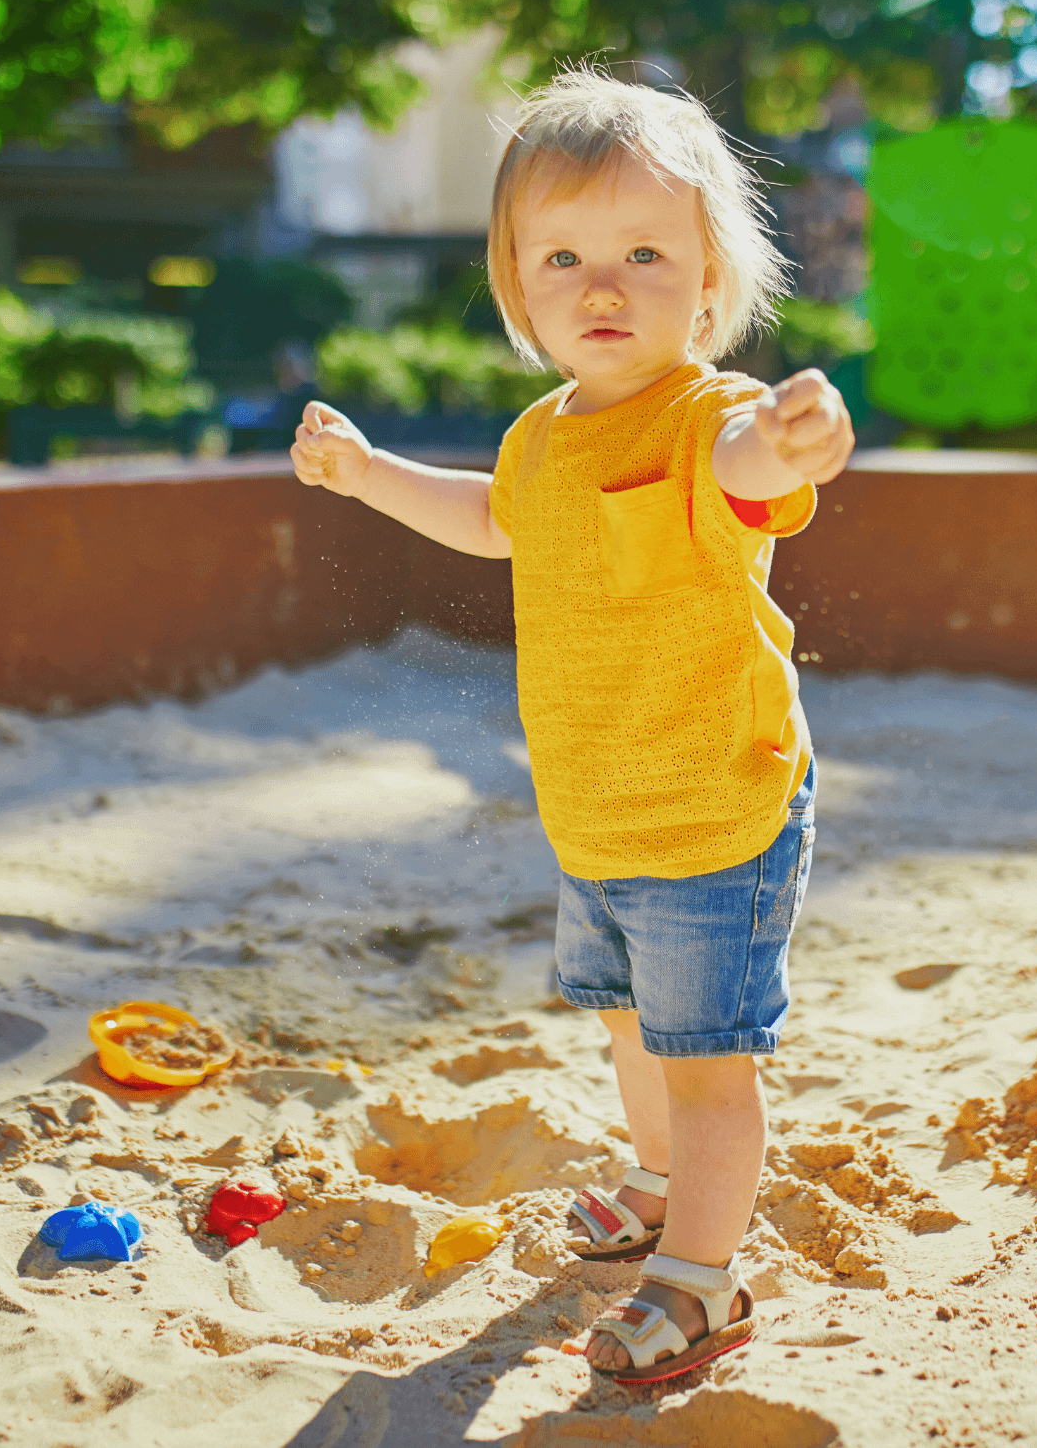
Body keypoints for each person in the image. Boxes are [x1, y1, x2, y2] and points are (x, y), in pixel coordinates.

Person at [290, 66, 852, 1384]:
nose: (603, 287)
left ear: (709, 283)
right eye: (565, 258)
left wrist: (798, 437)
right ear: (518, 287)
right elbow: (492, 520)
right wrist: (368, 474)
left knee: (708, 1063)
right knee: (627, 1025)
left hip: (716, 812)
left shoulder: (712, 418)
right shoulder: (542, 440)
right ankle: (660, 1188)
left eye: (645, 253)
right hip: (596, 815)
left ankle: (704, 1285)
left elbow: (751, 474)